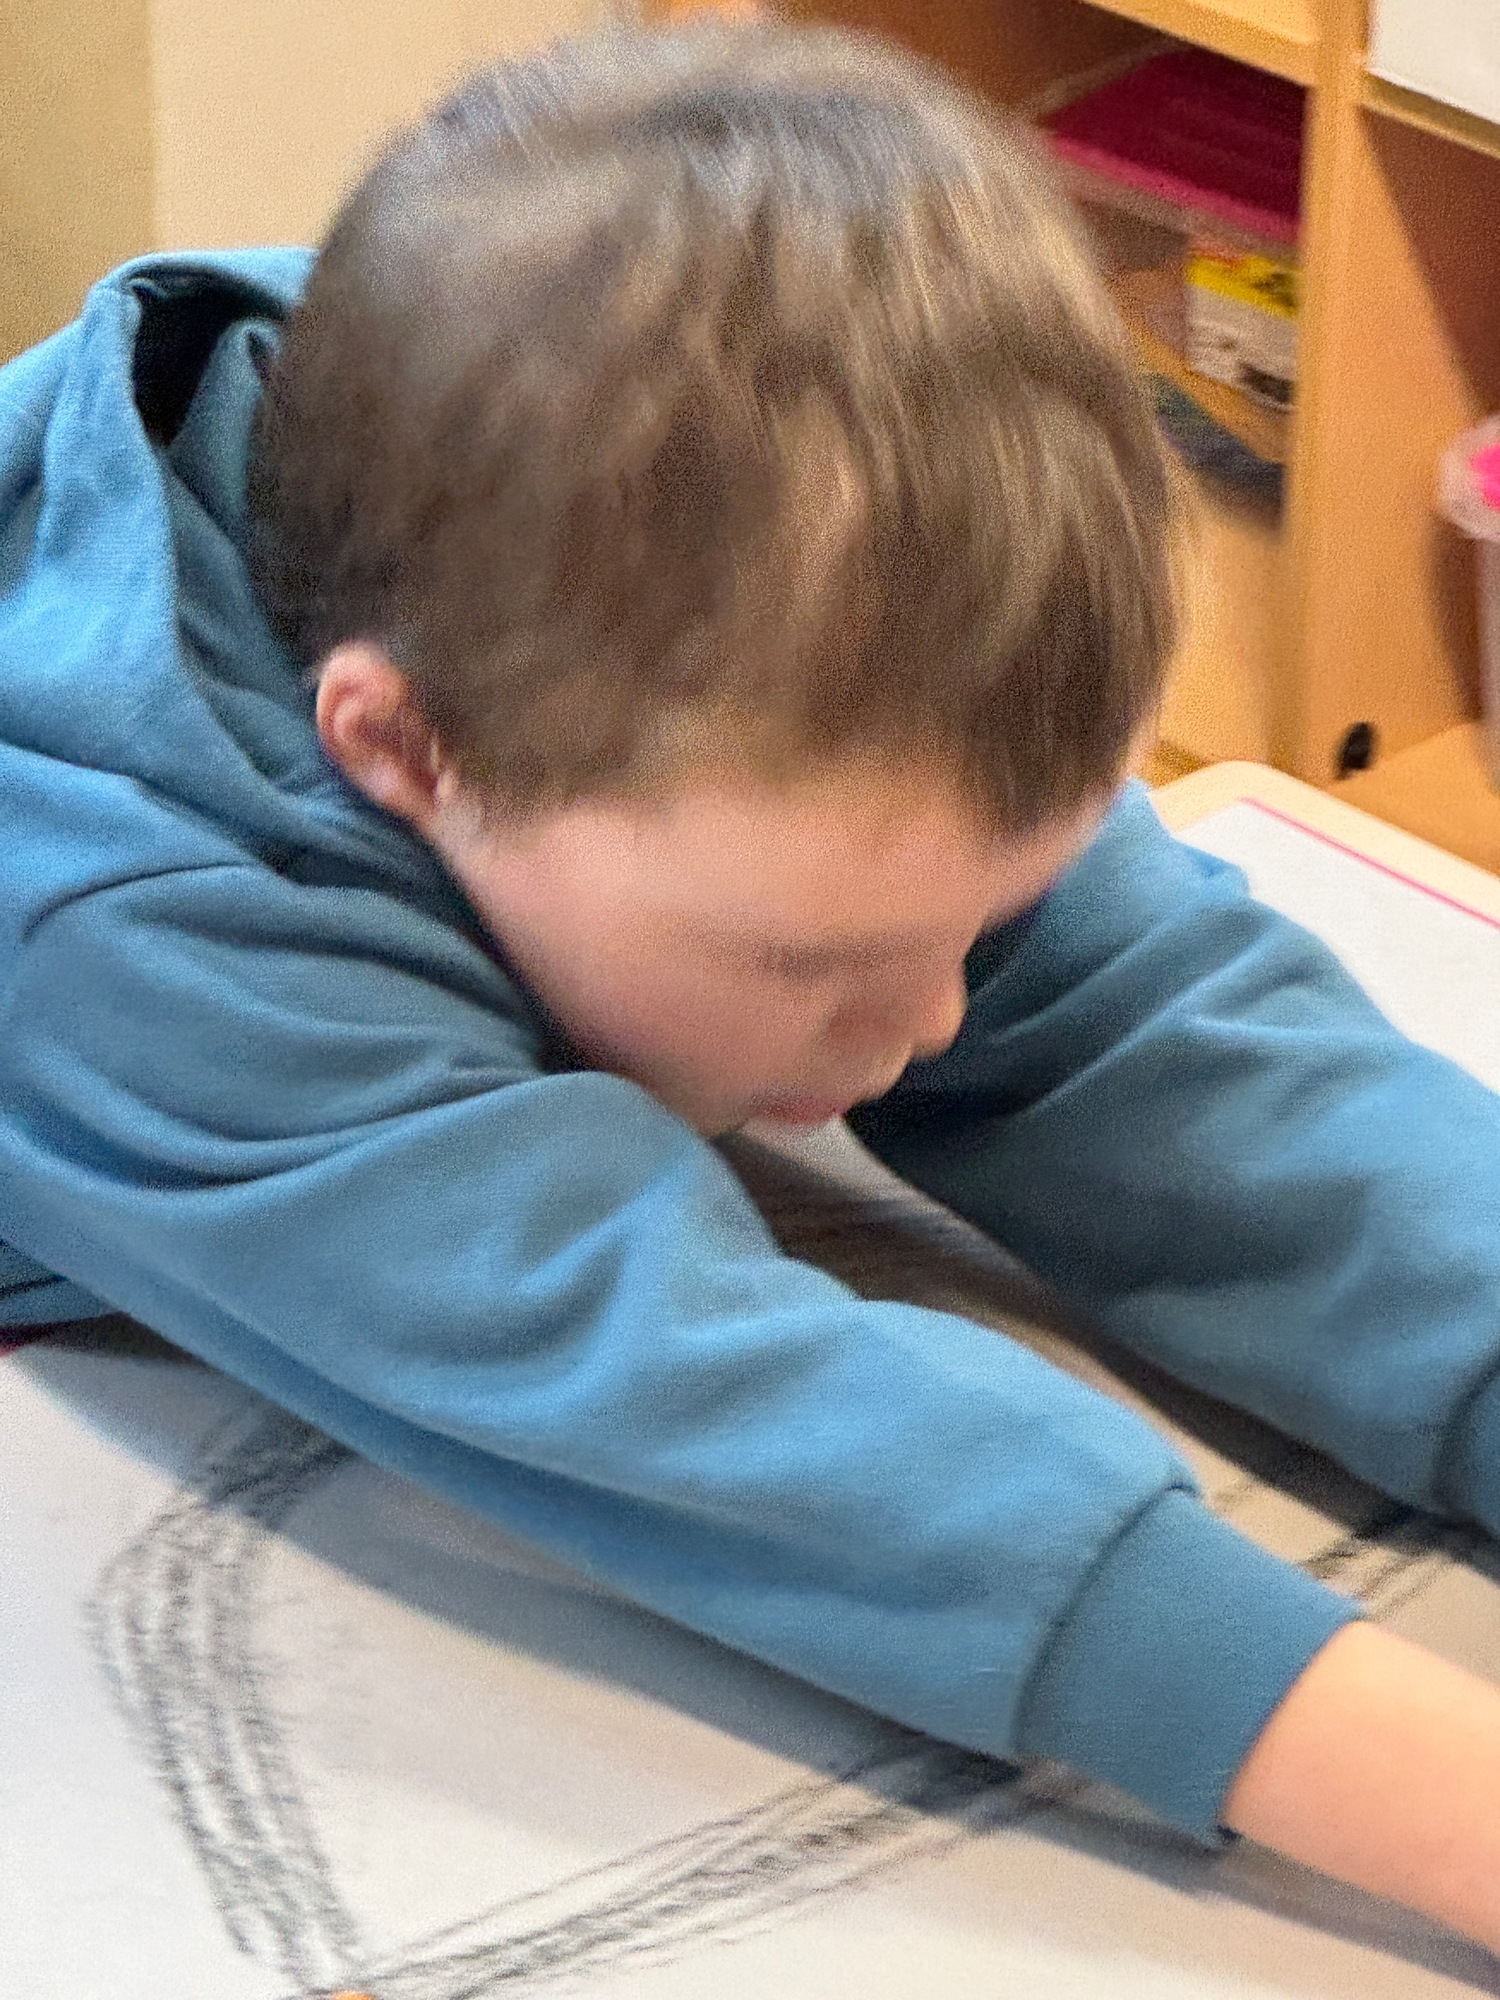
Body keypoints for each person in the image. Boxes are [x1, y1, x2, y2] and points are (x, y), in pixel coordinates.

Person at [3, 16, 1500, 1955]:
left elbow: (1168, 1040)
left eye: (979, 917)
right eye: (819, 964)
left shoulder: (666, 583)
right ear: (405, 749)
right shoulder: (117, 916)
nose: (939, 1019)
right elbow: (693, 1400)